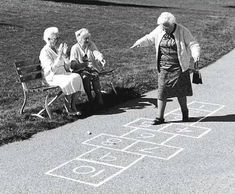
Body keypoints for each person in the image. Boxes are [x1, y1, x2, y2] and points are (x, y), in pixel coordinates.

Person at [131, 12, 200, 124]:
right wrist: (139, 42)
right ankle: (160, 117)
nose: (165, 29)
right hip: (164, 67)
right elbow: (149, 38)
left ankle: (185, 114)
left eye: (167, 27)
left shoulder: (182, 31)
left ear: (173, 24)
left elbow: (193, 44)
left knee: (181, 92)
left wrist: (196, 55)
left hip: (179, 67)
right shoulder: (160, 29)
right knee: (162, 92)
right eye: (163, 27)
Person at [39, 27, 85, 115]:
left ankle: (73, 104)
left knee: (77, 76)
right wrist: (59, 57)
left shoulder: (57, 49)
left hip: (62, 74)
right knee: (69, 80)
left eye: (57, 38)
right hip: (52, 77)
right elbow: (51, 69)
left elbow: (67, 67)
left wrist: (64, 54)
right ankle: (68, 107)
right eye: (55, 38)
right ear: (48, 39)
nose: (57, 40)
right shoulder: (44, 52)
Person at [70, 28, 106, 106]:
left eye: (88, 38)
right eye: (85, 39)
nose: (87, 40)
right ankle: (90, 96)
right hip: (80, 70)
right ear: (79, 39)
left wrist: (101, 58)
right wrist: (83, 65)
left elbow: (96, 52)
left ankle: (99, 97)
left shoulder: (91, 44)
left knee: (95, 75)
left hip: (92, 68)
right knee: (85, 77)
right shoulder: (75, 48)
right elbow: (73, 65)